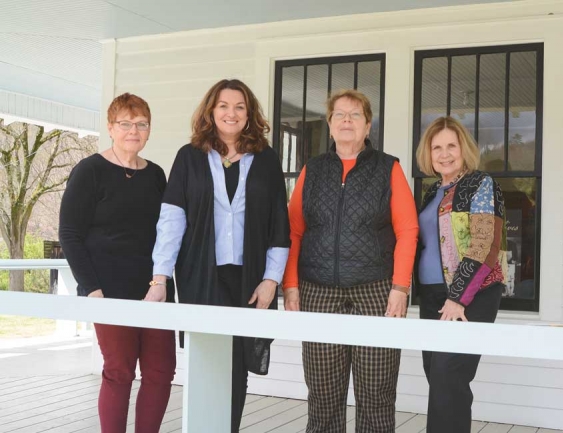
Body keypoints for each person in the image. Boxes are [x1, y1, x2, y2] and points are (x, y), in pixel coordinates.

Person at [150, 79, 290, 433]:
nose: (231, 113)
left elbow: (279, 221)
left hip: (250, 278)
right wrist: (160, 277)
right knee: (207, 359)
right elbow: (172, 219)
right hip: (201, 274)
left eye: (239, 106)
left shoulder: (267, 159)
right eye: (224, 105)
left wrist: (272, 279)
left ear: (249, 114)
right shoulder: (189, 157)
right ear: (211, 111)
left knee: (237, 365)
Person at [283, 89, 419, 432]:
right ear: (329, 125)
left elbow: (408, 229)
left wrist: (400, 287)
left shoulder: (388, 167)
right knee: (324, 395)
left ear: (368, 125)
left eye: (355, 115)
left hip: (376, 292)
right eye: (339, 114)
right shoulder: (311, 170)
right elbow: (294, 231)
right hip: (318, 291)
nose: (346, 120)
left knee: (376, 395)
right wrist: (291, 285)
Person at [59, 93, 176, 433]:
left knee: (160, 370)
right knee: (120, 370)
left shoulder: (155, 175)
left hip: (153, 288)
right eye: (125, 123)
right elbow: (69, 234)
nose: (133, 131)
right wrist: (91, 290)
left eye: (141, 124)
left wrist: (162, 281)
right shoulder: (90, 171)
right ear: (111, 128)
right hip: (107, 291)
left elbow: (167, 232)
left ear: (149, 130)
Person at [415, 116, 507, 432]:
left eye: (451, 145)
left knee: (448, 375)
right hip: (432, 296)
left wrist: (458, 298)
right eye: (436, 147)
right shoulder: (432, 191)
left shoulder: (480, 183)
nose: (444, 153)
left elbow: (485, 244)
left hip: (470, 296)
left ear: (463, 148)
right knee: (437, 377)